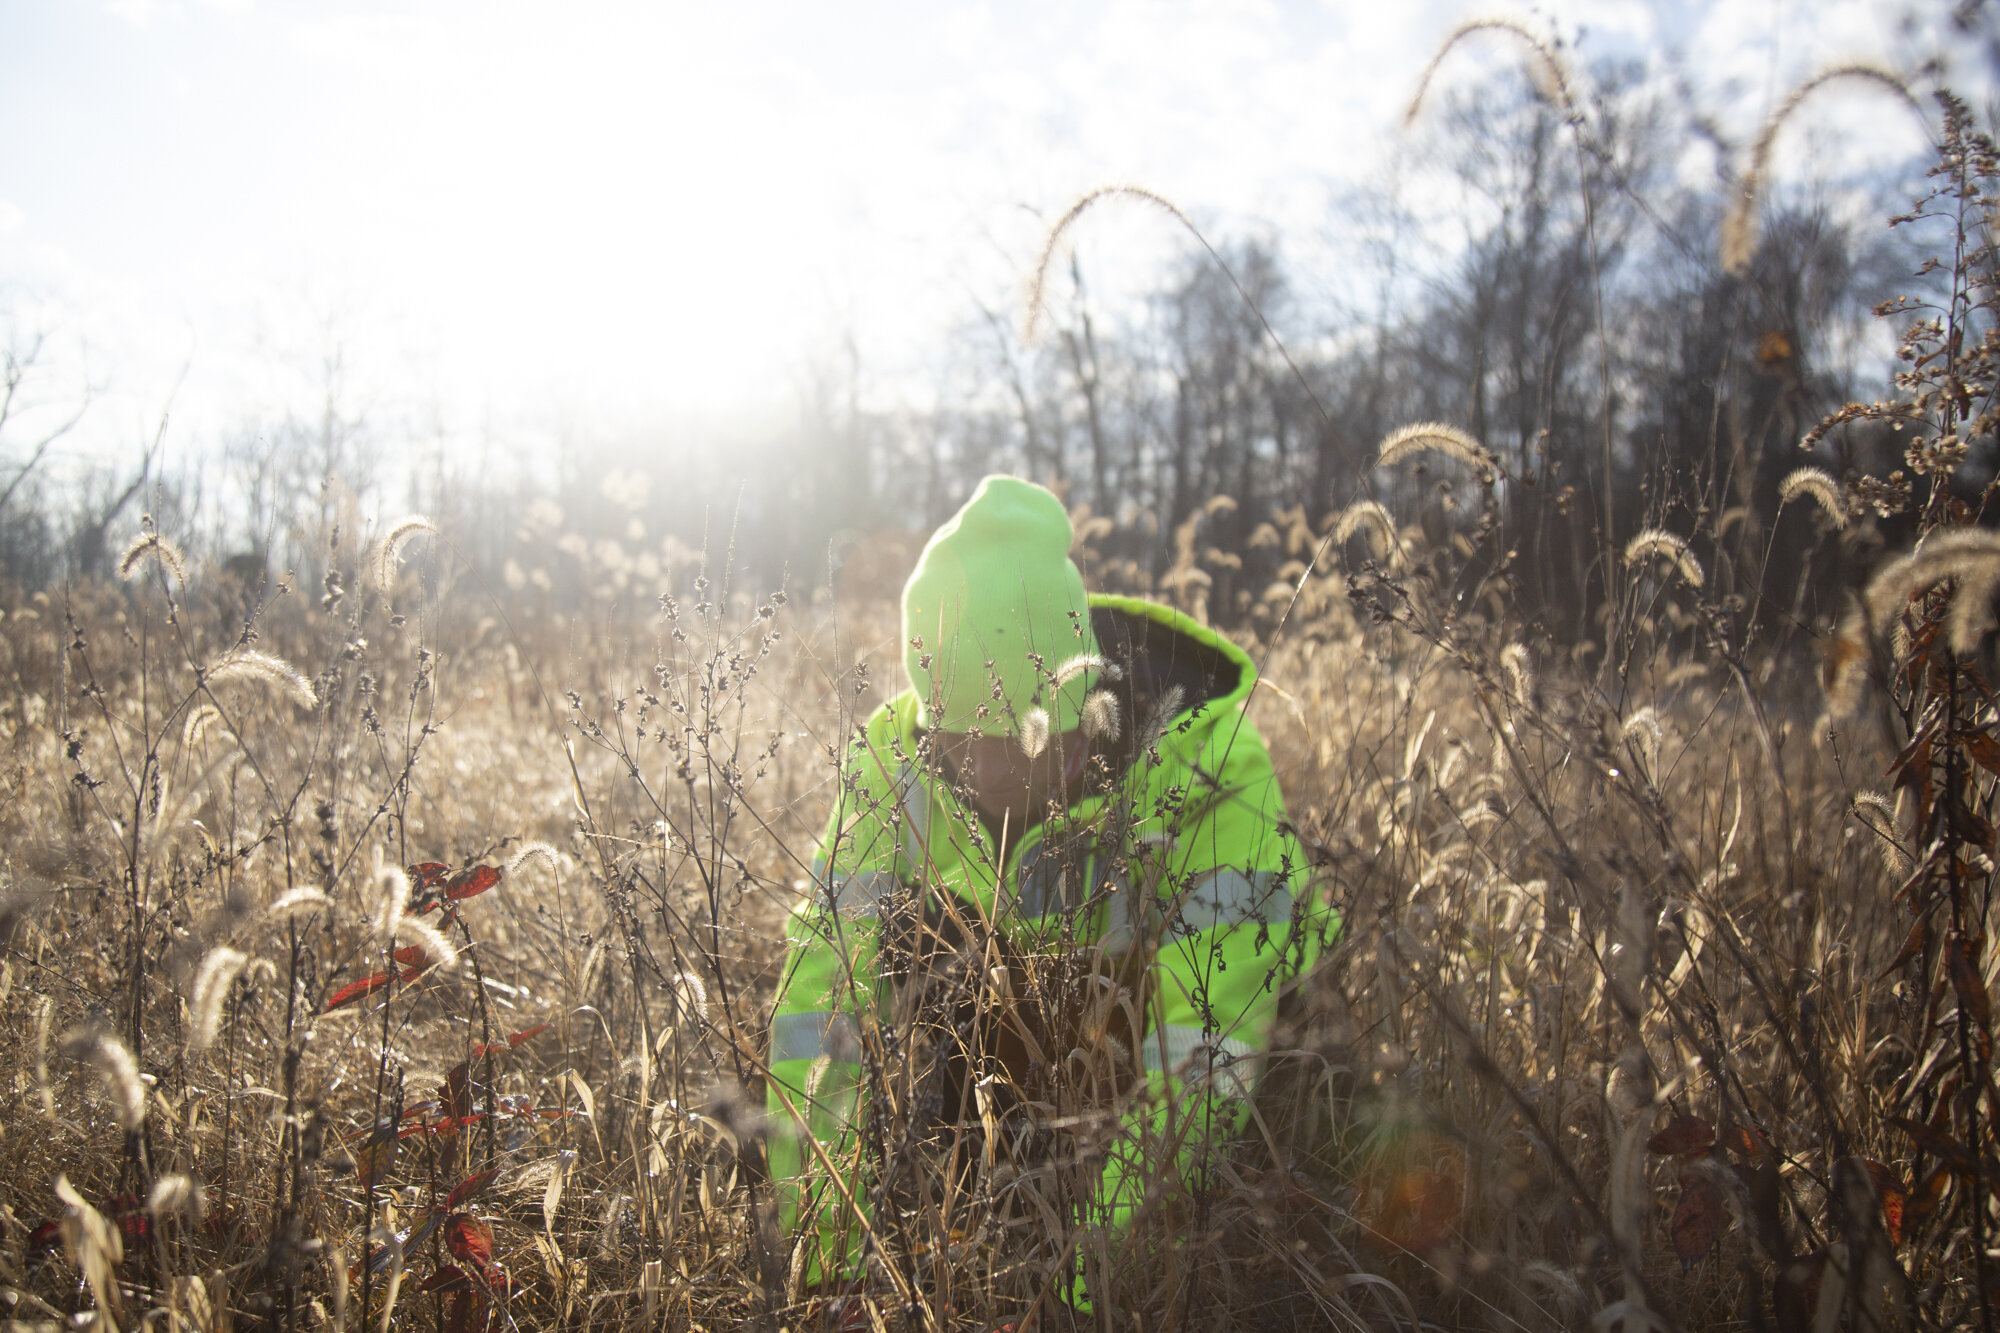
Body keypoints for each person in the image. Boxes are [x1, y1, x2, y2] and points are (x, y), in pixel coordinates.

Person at [764, 475, 1330, 1313]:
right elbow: (819, 1007)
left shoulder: (1208, 765)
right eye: (958, 736)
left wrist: (1081, 1290)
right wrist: (827, 1262)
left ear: (1075, 707)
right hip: (1050, 1032)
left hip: (1240, 1037)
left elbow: (1207, 1051)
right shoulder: (895, 765)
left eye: (1010, 739)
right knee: (920, 944)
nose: (982, 769)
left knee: (1288, 1101)